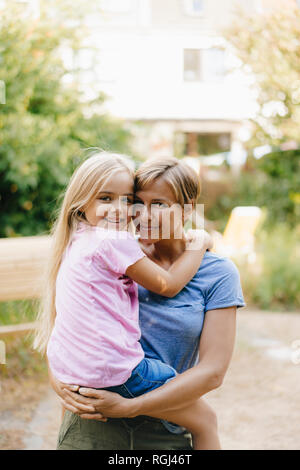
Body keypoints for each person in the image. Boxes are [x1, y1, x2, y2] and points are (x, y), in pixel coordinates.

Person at [48, 156, 245, 450]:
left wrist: (131, 406)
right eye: (137, 202)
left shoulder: (216, 274)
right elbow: (66, 328)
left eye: (159, 204)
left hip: (163, 426)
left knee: (206, 420)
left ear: (188, 209)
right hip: (92, 422)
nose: (143, 214)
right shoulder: (115, 258)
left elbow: (213, 372)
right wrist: (59, 383)